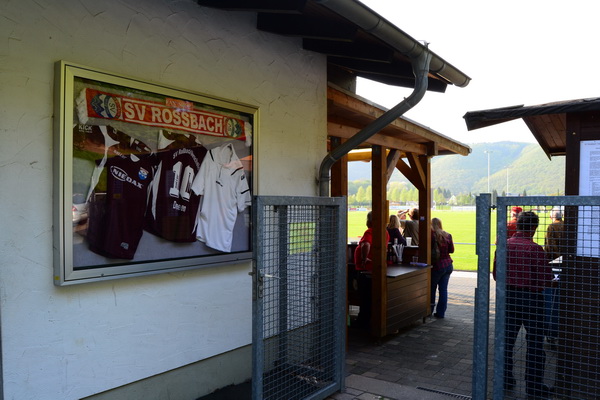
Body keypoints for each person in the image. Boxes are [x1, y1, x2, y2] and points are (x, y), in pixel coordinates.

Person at [493, 211, 553, 399]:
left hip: (508, 297)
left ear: (517, 225)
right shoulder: (535, 249)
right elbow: (546, 278)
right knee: (535, 344)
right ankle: (534, 387)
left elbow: (495, 274)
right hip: (532, 300)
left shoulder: (503, 246)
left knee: (506, 341)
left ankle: (505, 379)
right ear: (533, 228)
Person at [430, 218, 454, 319]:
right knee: (443, 290)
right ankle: (441, 313)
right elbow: (451, 250)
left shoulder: (432, 235)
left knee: (432, 289)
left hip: (437, 266)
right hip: (448, 264)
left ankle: (429, 311)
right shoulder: (447, 235)